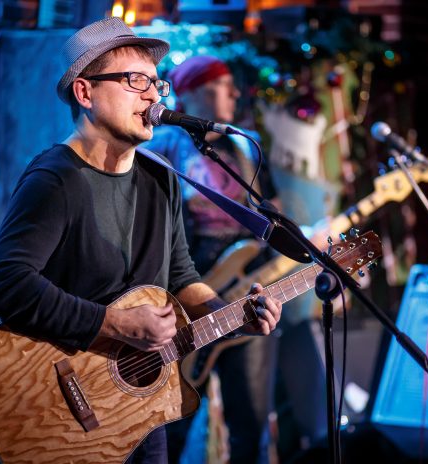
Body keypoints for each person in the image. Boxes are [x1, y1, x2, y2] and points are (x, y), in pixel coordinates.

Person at [0, 18, 281, 464]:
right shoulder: (56, 179)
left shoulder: (161, 177)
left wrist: (232, 316)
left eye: (156, 83)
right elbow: (3, 284)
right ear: (86, 93)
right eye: (135, 81)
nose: (154, 95)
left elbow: (181, 276)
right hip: (60, 404)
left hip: (138, 407)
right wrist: (114, 325)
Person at [143, 56, 281, 463]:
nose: (235, 92)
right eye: (221, 85)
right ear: (190, 94)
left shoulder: (245, 145)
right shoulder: (162, 148)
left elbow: (270, 214)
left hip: (243, 295)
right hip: (186, 300)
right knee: (174, 426)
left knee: (250, 423)